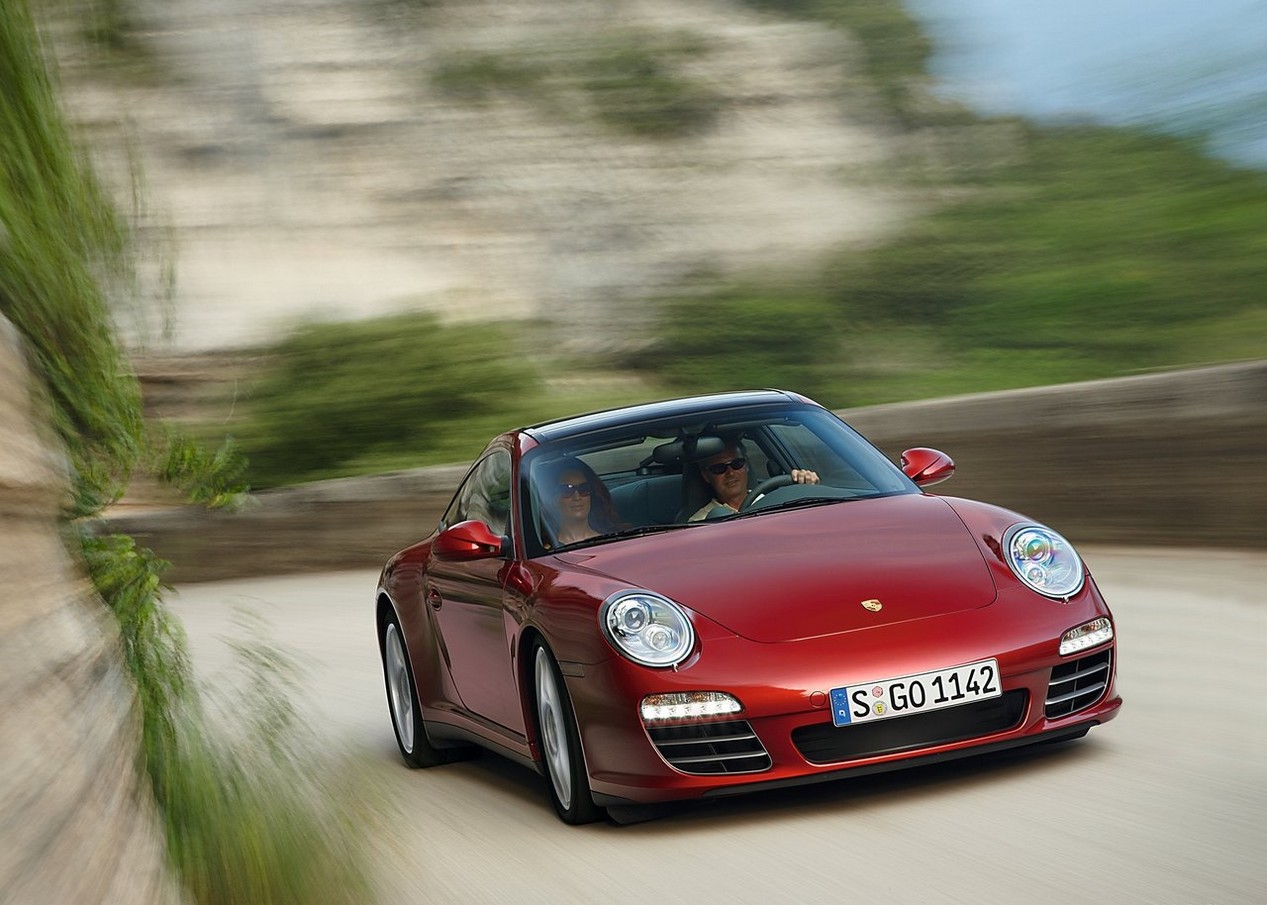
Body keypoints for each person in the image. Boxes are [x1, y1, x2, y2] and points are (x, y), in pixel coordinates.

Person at [687, 439, 819, 521]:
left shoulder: (777, 499)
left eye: (737, 463)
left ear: (747, 466)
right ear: (706, 476)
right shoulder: (699, 522)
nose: (730, 473)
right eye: (719, 468)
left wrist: (809, 488)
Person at [540, 456, 622, 547]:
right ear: (552, 498)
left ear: (591, 494)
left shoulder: (616, 540)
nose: (577, 497)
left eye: (584, 488)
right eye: (567, 490)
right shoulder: (545, 551)